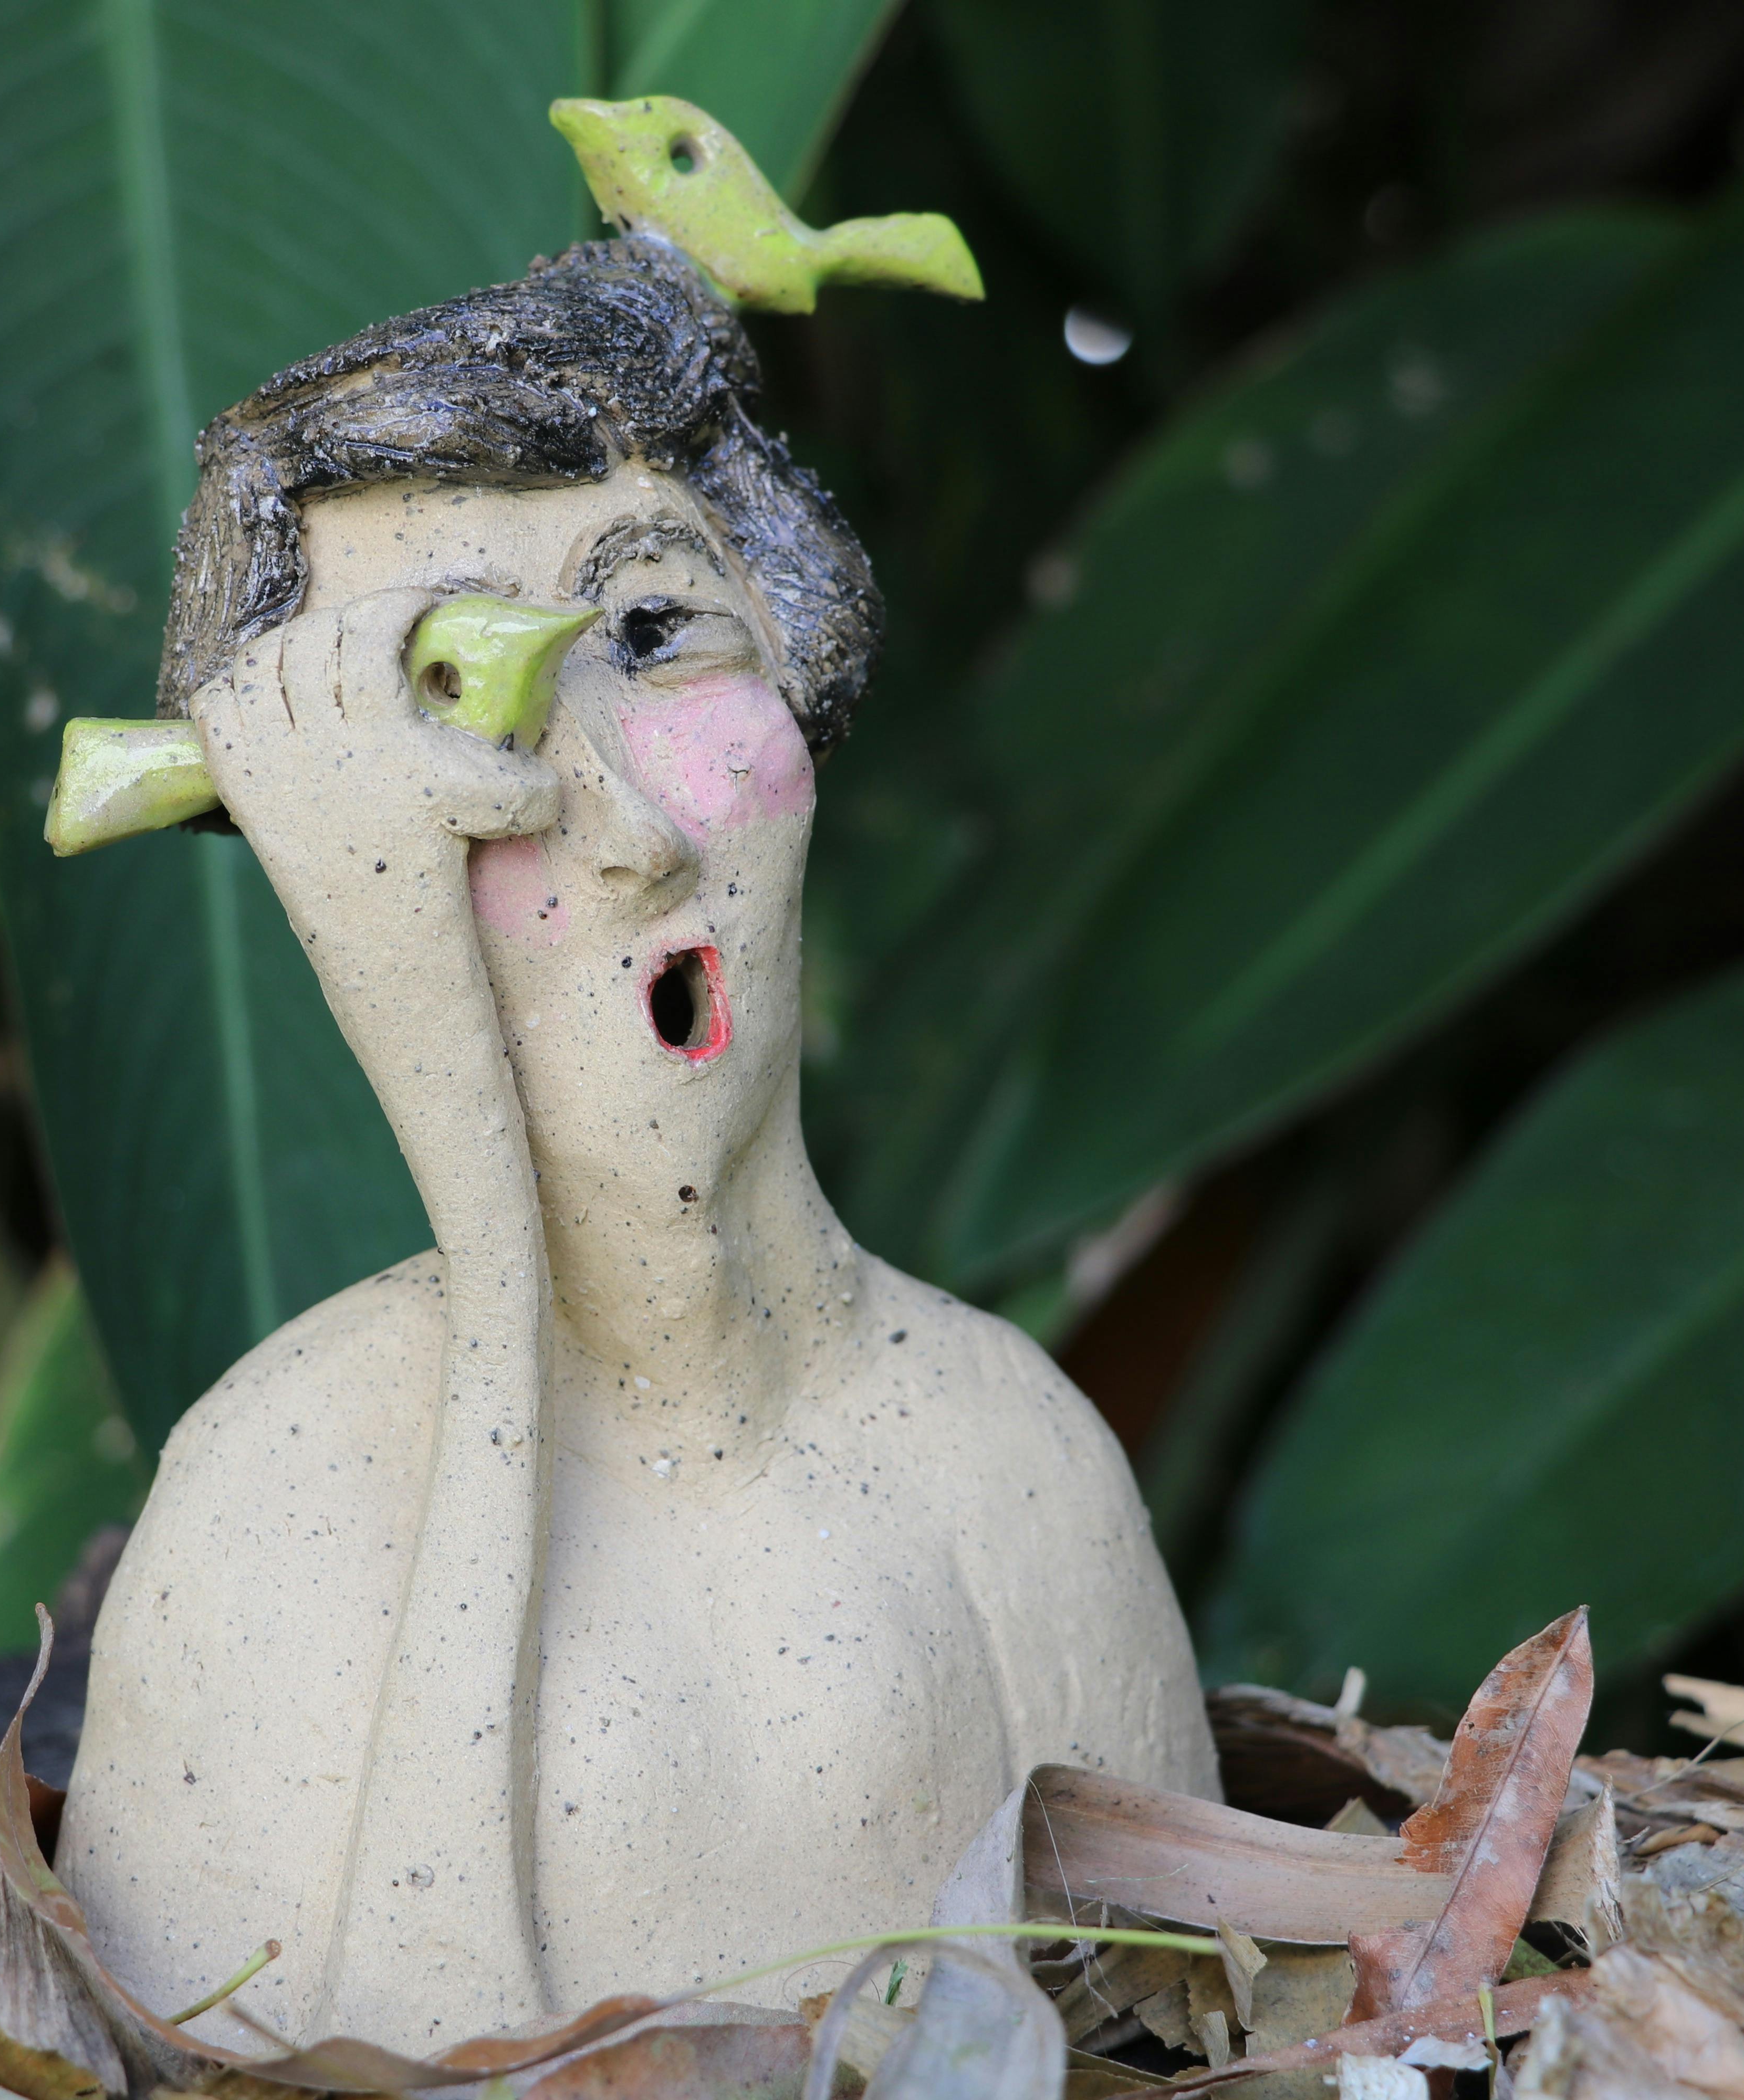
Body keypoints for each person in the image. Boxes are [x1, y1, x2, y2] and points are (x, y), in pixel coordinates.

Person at [61, 233, 1217, 2053]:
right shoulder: (274, 1518)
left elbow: (1185, 2046)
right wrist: (483, 1223)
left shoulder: (1013, 1466)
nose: (625, 832)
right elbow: (378, 2059)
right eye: (454, 699)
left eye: (659, 635)